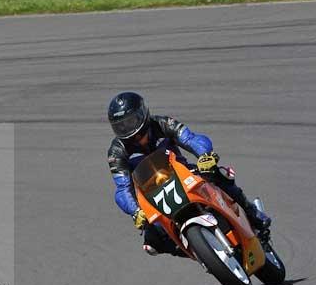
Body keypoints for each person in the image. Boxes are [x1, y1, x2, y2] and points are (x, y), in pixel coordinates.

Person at [106, 92, 271, 256]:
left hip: (184, 174)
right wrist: (135, 211)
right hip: (153, 194)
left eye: (131, 121)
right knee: (152, 244)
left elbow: (191, 139)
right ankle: (200, 253)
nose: (128, 129)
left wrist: (204, 156)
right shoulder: (117, 151)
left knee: (219, 174)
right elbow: (122, 188)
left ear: (142, 114)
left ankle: (252, 212)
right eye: (121, 125)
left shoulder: (162, 123)